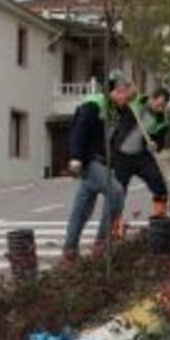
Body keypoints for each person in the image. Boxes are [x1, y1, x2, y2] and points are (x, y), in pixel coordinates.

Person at [62, 71, 135, 261]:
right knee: (117, 192)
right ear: (118, 91)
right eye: (126, 96)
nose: (128, 101)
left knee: (83, 207)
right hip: (89, 161)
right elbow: (79, 129)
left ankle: (69, 251)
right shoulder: (94, 104)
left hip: (103, 163)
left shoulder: (115, 109)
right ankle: (102, 244)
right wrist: (75, 157)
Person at [110, 88, 170, 217]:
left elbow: (160, 144)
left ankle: (160, 215)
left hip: (142, 157)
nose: (160, 109)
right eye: (158, 105)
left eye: (163, 106)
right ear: (151, 98)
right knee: (118, 191)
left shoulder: (161, 122)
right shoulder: (136, 102)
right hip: (121, 156)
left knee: (158, 182)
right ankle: (115, 222)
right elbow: (117, 105)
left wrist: (155, 145)